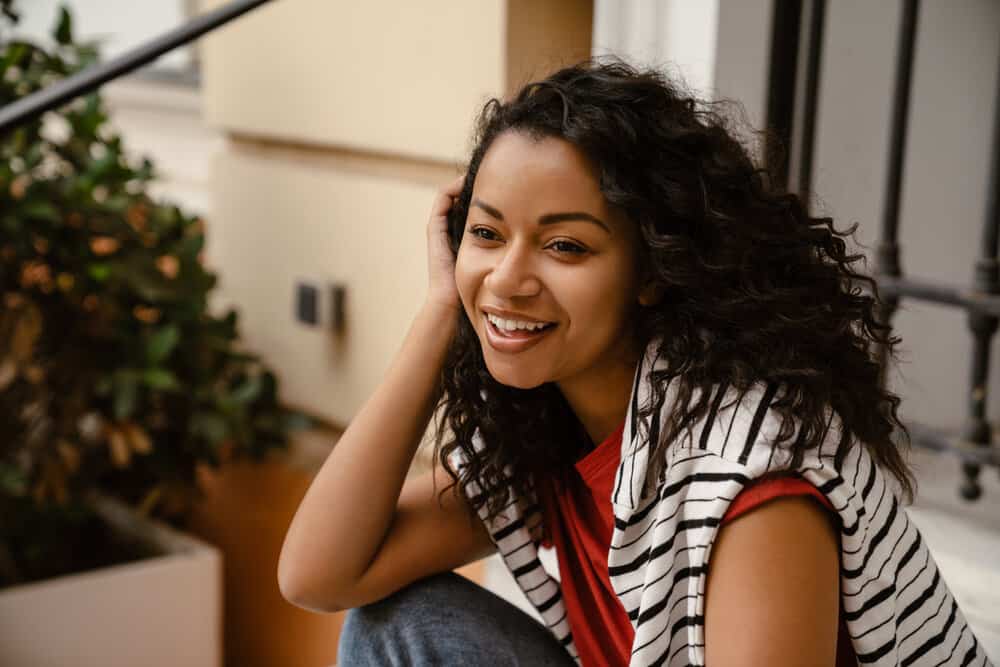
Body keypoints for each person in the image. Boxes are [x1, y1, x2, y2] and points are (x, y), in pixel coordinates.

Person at [278, 59, 991, 666]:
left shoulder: (753, 478)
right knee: (399, 621)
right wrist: (441, 311)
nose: (507, 278)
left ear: (653, 269)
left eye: (566, 246)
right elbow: (319, 572)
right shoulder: (550, 427)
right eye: (487, 233)